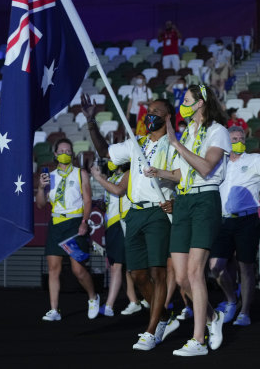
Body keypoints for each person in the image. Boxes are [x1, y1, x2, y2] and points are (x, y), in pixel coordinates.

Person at [82, 95, 175, 350]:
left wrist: (176, 201)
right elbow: (104, 152)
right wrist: (91, 120)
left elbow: (185, 177)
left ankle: (151, 331)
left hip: (158, 212)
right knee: (137, 274)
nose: (151, 114)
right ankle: (165, 317)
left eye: (157, 111)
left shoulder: (175, 144)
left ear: (168, 117)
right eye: (150, 110)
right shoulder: (137, 143)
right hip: (134, 214)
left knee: (158, 273)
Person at [145, 84, 230, 356]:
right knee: (181, 278)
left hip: (205, 200)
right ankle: (213, 318)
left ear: (201, 103)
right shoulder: (188, 132)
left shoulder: (218, 131)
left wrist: (176, 144)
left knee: (195, 272)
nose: (182, 104)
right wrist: (160, 172)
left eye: (187, 100)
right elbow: (184, 175)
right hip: (183, 201)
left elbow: (205, 168)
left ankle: (198, 341)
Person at [209, 126, 260, 326]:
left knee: (245, 267)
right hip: (222, 220)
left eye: (241, 138)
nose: (238, 141)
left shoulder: (254, 160)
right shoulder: (218, 163)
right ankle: (232, 301)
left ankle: (245, 312)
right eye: (234, 138)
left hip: (247, 220)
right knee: (216, 266)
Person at [37, 138, 99, 321]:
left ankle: (93, 297)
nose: (64, 153)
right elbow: (40, 204)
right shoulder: (50, 176)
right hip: (56, 224)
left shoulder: (81, 174)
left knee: (78, 270)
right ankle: (54, 309)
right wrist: (40, 188)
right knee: (53, 269)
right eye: (61, 150)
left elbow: (87, 200)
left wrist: (84, 221)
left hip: (74, 223)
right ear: (55, 155)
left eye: (68, 151)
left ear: (72, 154)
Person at [90, 161, 135, 317]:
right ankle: (134, 301)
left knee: (117, 266)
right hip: (111, 224)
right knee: (122, 268)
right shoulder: (114, 176)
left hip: (121, 222)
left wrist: (99, 178)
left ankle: (109, 305)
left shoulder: (128, 174)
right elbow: (112, 199)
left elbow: (119, 190)